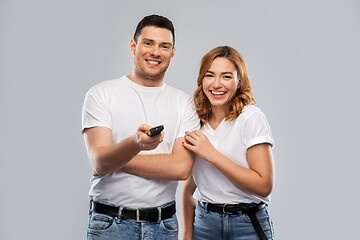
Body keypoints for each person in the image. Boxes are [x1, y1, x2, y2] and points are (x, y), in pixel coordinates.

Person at [81, 14, 200, 240]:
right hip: (110, 225)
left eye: (164, 46)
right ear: (133, 46)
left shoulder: (184, 103)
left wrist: (116, 159)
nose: (155, 52)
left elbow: (180, 169)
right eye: (148, 43)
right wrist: (136, 143)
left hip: (163, 226)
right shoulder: (101, 94)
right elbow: (99, 160)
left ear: (172, 53)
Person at [181, 46, 275, 240]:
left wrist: (212, 155)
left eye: (226, 76)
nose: (217, 84)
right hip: (205, 224)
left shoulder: (250, 117)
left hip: (247, 224)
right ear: (201, 80)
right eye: (210, 75)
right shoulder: (196, 121)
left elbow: (264, 185)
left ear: (239, 81)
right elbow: (190, 187)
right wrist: (188, 232)